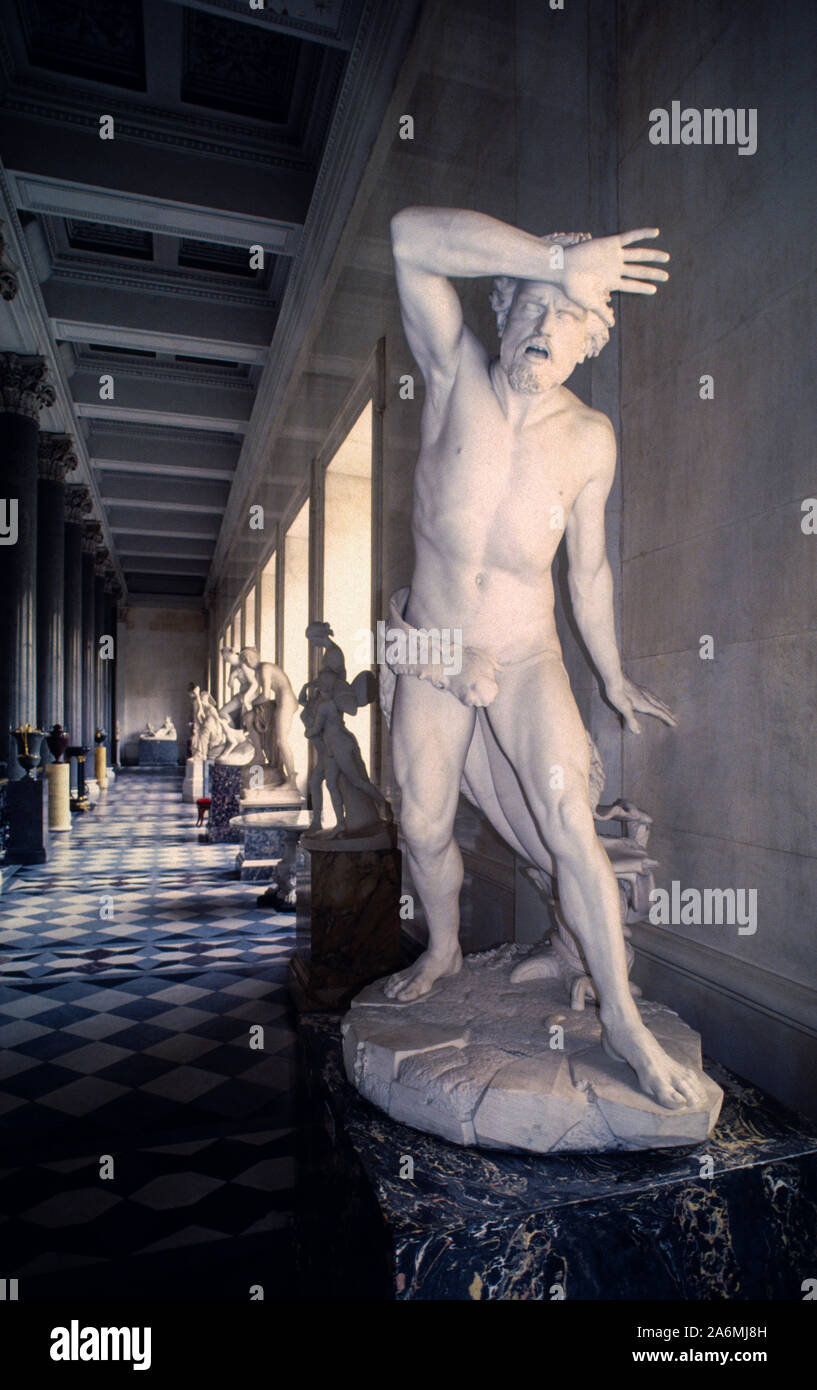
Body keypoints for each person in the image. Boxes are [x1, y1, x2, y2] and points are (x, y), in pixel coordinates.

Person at [384, 205, 703, 1110]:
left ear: (590, 341)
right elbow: (409, 236)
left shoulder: (589, 438)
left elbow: (589, 570)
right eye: (532, 304)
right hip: (436, 647)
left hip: (526, 656)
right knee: (420, 823)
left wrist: (609, 674)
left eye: (568, 315)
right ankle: (442, 949)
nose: (544, 328)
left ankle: (624, 1020)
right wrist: (556, 258)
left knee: (569, 821)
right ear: (500, 310)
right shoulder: (451, 376)